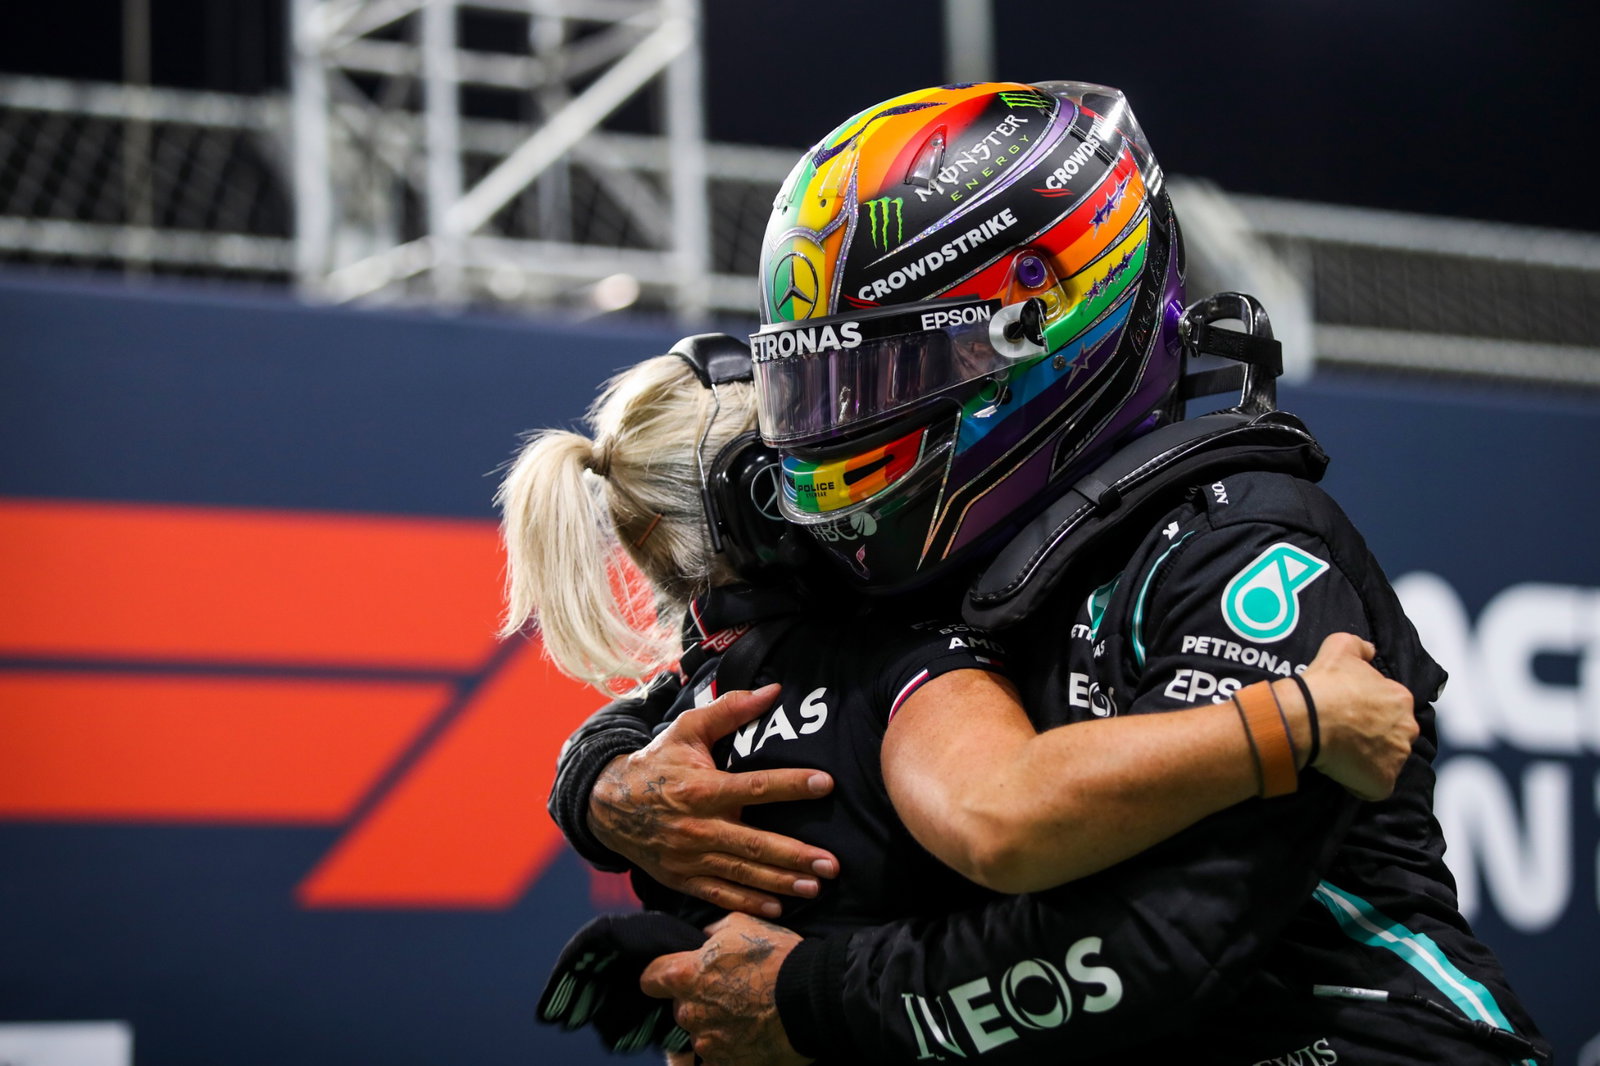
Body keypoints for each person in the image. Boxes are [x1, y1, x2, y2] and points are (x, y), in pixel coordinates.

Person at [555, 81, 1549, 1064]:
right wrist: (604, 788)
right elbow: (694, 685)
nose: (847, 424)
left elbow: (1152, 947)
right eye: (824, 384)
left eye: (888, 375)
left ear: (1041, 316)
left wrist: (807, 999)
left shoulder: (1241, 545)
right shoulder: (921, 556)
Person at [501, 335, 1417, 1058]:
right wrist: (1300, 718)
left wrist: (587, 780)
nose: (854, 444)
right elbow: (1004, 813)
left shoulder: (676, 729)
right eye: (822, 432)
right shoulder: (892, 656)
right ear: (765, 500)